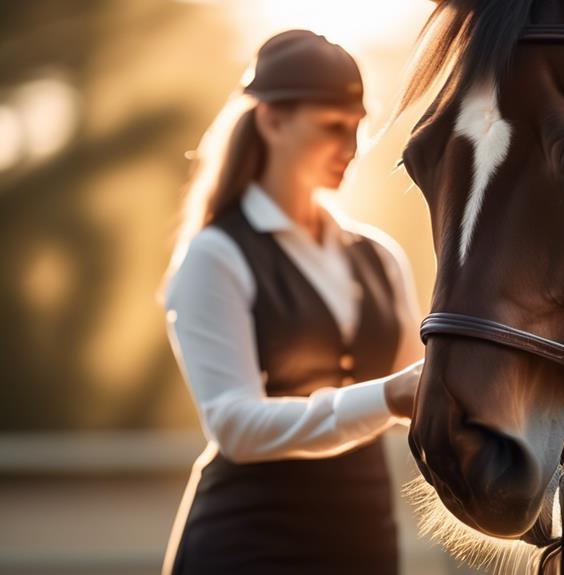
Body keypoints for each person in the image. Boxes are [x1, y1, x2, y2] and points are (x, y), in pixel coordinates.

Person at [160, 30, 424, 575]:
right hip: (247, 545)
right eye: (332, 128)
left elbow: (423, 398)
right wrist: (389, 397)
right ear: (271, 121)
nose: (351, 147)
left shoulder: (380, 256)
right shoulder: (215, 255)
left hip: (364, 541)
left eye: (357, 128)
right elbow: (234, 425)